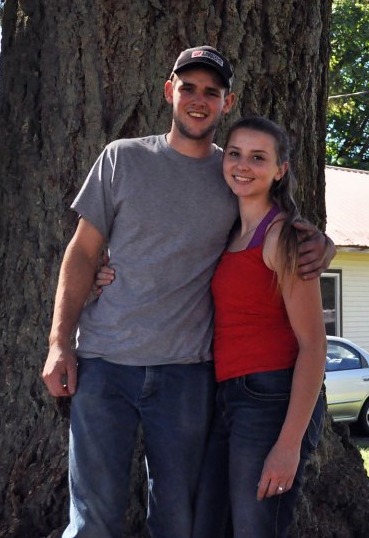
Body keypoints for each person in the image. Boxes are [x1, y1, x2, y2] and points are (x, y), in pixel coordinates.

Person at [41, 46, 333, 538]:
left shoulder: (232, 173)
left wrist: (321, 242)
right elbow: (83, 251)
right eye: (189, 87)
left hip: (187, 374)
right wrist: (59, 343)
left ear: (227, 101)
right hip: (105, 363)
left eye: (212, 92)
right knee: (94, 519)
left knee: (179, 519)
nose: (199, 100)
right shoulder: (122, 158)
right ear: (168, 91)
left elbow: (277, 226)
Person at [191, 116, 327, 538]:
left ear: (280, 169)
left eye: (258, 157)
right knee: (206, 527)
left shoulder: (282, 236)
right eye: (234, 153)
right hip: (225, 397)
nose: (243, 165)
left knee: (256, 530)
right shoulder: (229, 231)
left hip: (271, 398)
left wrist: (288, 446)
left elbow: (314, 346)